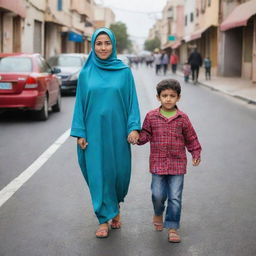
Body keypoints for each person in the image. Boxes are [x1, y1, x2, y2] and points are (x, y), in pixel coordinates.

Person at [70, 27, 141, 239]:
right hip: (93, 134)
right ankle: (103, 218)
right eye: (99, 43)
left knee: (118, 174)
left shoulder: (124, 72)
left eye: (107, 43)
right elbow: (79, 105)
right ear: (93, 46)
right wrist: (80, 132)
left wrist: (133, 127)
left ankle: (115, 207)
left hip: (118, 133)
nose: (103, 47)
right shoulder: (85, 73)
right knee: (98, 175)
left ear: (113, 45)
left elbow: (132, 103)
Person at [137, 79, 202, 243]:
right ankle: (158, 212)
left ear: (178, 98)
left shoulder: (182, 118)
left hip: (177, 164)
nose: (168, 99)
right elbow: (145, 135)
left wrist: (195, 152)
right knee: (157, 195)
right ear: (158, 97)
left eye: (172, 96)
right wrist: (136, 137)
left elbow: (191, 137)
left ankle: (172, 226)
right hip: (157, 164)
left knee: (175, 197)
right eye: (164, 95)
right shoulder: (151, 117)